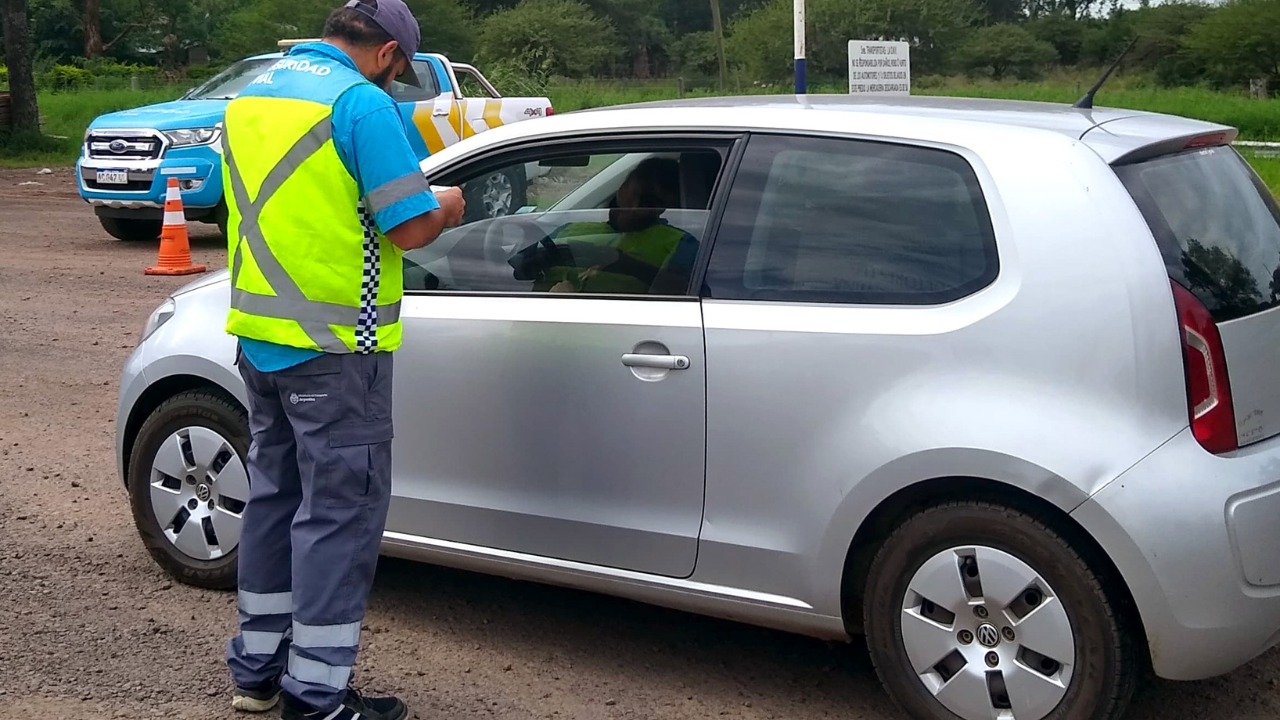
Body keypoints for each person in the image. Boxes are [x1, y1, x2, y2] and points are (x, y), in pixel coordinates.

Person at [220, 2, 465, 720]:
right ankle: (318, 695)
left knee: (273, 501)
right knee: (339, 515)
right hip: (337, 349)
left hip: (261, 339)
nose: (398, 81)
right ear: (389, 52)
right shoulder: (360, 106)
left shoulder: (253, 95)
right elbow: (413, 225)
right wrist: (448, 205)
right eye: (401, 70)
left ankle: (257, 672)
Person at [519, 157, 700, 295]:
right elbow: (517, 273)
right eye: (634, 194)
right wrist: (538, 259)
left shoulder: (681, 243)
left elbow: (686, 293)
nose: (634, 207)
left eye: (649, 203)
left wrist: (623, 264)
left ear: (667, 208)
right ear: (622, 187)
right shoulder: (571, 228)